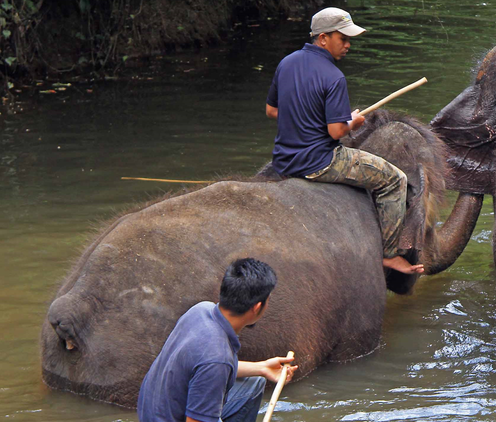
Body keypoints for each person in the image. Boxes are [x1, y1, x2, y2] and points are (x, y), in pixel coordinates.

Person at [265, 7, 424, 275]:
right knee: (395, 180)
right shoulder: (333, 76)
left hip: (283, 159)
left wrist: (306, 116)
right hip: (320, 162)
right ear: (323, 38)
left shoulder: (287, 63)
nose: (348, 45)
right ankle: (389, 254)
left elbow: (272, 111)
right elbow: (336, 133)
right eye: (343, 38)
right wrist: (353, 122)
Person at [137, 258, 298, 422]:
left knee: (254, 383)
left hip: (151, 412)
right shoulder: (217, 357)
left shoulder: (200, 310)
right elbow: (214, 364)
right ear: (257, 307)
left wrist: (262, 367)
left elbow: (202, 366)